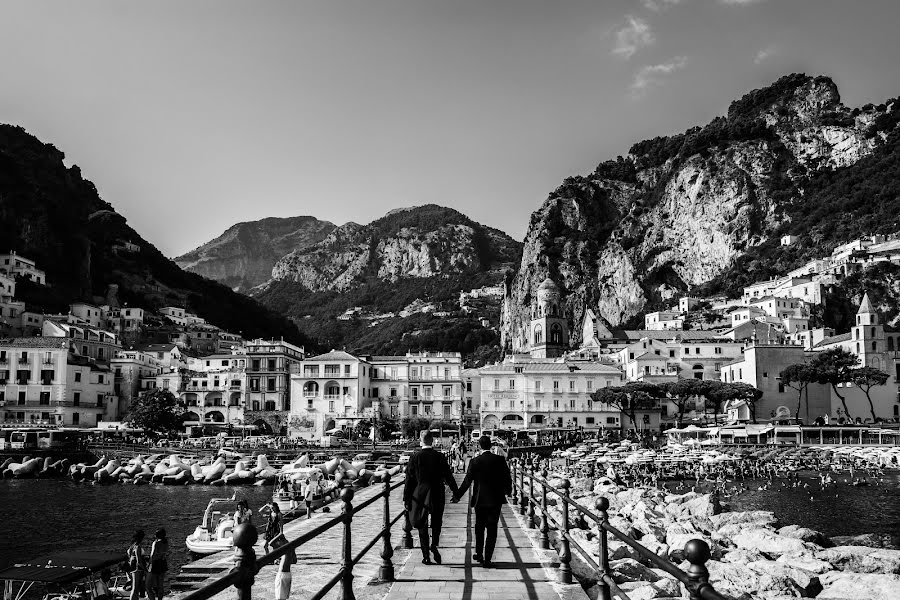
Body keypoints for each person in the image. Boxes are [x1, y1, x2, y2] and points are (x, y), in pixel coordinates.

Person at [453, 435, 512, 569]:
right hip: (495, 500)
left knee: (479, 528)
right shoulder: (499, 460)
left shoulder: (475, 461)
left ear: (479, 446)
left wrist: (457, 496)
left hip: (479, 500)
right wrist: (508, 491)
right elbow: (507, 478)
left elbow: (467, 481)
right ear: (490, 445)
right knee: (492, 529)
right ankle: (488, 559)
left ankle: (479, 553)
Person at [403, 430, 459, 565]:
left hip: (420, 494)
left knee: (422, 524)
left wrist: (406, 498)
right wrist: (455, 492)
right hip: (437, 492)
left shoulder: (415, 457)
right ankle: (434, 544)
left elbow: (409, 480)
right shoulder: (439, 456)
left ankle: (426, 556)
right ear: (432, 441)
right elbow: (448, 476)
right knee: (436, 521)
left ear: (421, 441)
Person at [146, 528, 168, 600]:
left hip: (155, 564)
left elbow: (152, 555)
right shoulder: (165, 542)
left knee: (148, 586)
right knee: (160, 585)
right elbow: (164, 554)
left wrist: (149, 564)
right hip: (162, 563)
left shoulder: (156, 543)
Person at [127, 530, 146, 600]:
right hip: (138, 569)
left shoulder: (131, 547)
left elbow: (130, 558)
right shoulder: (138, 547)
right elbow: (139, 561)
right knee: (135, 589)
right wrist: (145, 570)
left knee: (135, 588)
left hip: (133, 569)